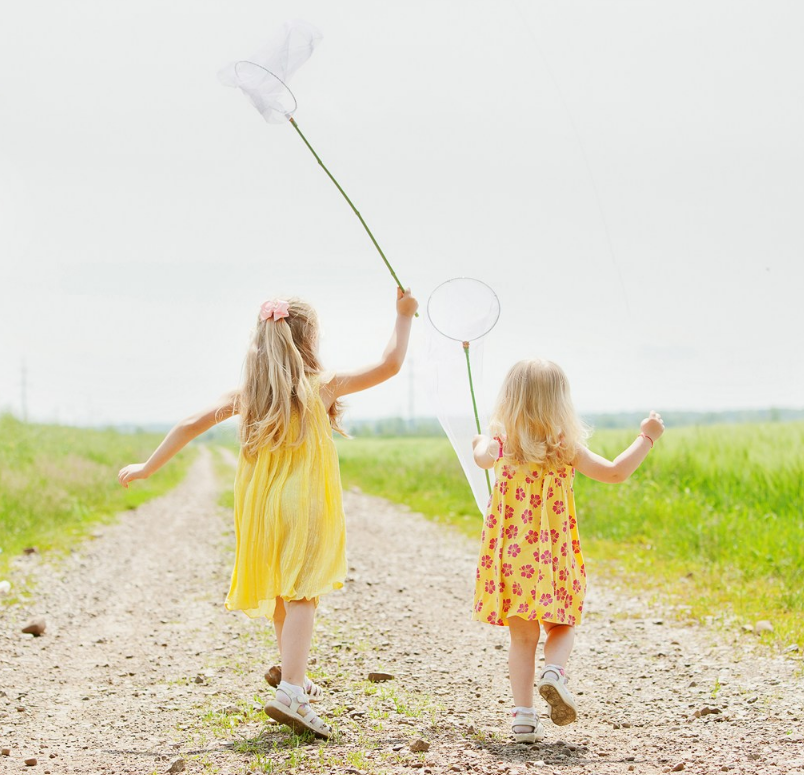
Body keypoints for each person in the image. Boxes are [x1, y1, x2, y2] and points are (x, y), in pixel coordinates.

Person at [118, 288, 419, 739]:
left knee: (284, 592)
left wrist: (147, 468)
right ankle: (293, 690)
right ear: (309, 340)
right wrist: (403, 316)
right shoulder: (322, 386)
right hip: (305, 502)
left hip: (259, 507)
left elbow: (187, 425)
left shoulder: (247, 394)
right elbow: (390, 364)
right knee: (303, 594)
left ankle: (293, 675)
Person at [471, 358, 664, 743]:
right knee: (561, 624)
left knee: (522, 638)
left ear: (509, 398)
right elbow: (615, 472)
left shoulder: (498, 442)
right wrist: (647, 437)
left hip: (512, 556)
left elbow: (480, 457)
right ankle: (554, 673)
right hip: (553, 554)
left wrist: (485, 445)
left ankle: (523, 718)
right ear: (560, 401)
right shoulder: (566, 447)